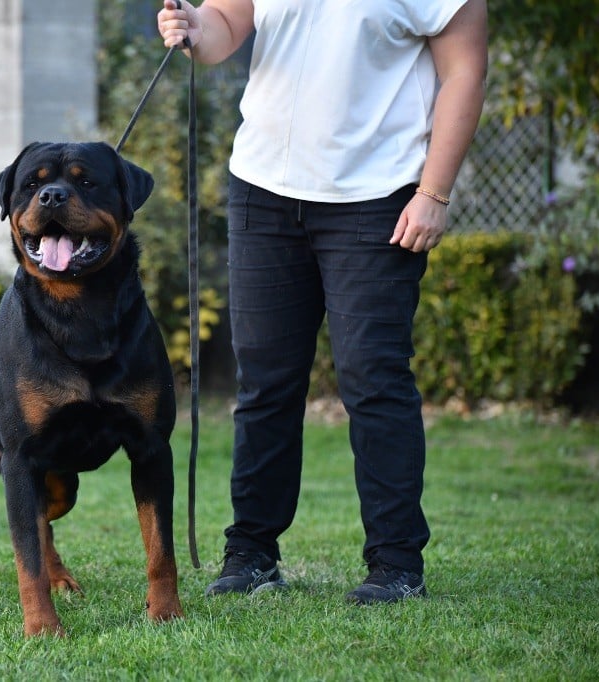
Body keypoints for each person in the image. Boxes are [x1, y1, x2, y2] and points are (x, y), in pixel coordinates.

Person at [157, 0, 487, 604]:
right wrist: (195, 30)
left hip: (377, 194)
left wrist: (434, 191)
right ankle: (251, 553)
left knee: (374, 379)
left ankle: (395, 565)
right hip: (264, 190)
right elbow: (227, 25)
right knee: (264, 383)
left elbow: (464, 70)